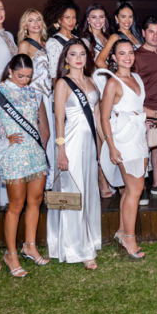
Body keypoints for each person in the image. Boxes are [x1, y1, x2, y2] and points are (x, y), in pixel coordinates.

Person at [0, 54, 51, 277]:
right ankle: (11, 254)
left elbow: (40, 124)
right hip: (14, 155)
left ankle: (30, 246)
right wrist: (2, 143)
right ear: (10, 72)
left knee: (35, 202)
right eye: (20, 76)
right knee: (16, 205)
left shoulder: (33, 93)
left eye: (28, 76)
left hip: (35, 153)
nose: (24, 80)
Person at [98, 39, 154, 260]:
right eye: (122, 54)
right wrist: (110, 147)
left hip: (139, 136)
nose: (127, 57)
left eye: (130, 52)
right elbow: (104, 117)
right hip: (122, 139)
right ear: (114, 58)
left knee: (129, 190)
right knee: (135, 189)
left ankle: (122, 232)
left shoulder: (136, 78)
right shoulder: (112, 83)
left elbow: (137, 107)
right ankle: (130, 238)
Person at [50, 40, 102, 269]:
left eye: (82, 54)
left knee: (88, 192)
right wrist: (61, 150)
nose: (78, 58)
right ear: (66, 59)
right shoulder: (62, 83)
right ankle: (74, 247)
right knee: (71, 193)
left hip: (89, 143)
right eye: (73, 54)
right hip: (69, 143)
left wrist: (103, 145)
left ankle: (88, 239)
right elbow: (58, 119)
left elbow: (98, 118)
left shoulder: (91, 81)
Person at [133, 16, 157, 200]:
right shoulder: (136, 56)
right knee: (143, 150)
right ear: (143, 33)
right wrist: (143, 109)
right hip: (146, 109)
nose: (155, 36)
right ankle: (140, 189)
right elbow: (132, 87)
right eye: (151, 31)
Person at [77, 4, 114, 197]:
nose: (98, 20)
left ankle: (109, 174)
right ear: (88, 20)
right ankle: (101, 179)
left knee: (109, 133)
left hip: (110, 86)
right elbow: (86, 65)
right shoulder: (84, 40)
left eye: (101, 17)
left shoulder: (107, 38)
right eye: (94, 17)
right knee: (99, 136)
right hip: (95, 86)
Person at [17, 9, 56, 188]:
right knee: (41, 135)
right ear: (25, 25)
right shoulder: (25, 45)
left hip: (47, 96)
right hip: (33, 95)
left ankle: (45, 180)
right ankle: (35, 176)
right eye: (31, 20)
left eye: (38, 19)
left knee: (47, 136)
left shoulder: (46, 43)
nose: (36, 23)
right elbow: (19, 73)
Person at [95, 0, 144, 69]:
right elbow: (99, 62)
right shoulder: (115, 37)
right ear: (117, 18)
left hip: (141, 76)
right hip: (127, 77)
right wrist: (114, 75)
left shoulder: (137, 36)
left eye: (130, 17)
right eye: (123, 17)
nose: (127, 20)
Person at [42, 0, 80, 79]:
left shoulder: (78, 40)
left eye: (74, 17)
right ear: (59, 20)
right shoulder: (53, 42)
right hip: (65, 85)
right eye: (67, 17)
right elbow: (54, 74)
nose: (71, 21)